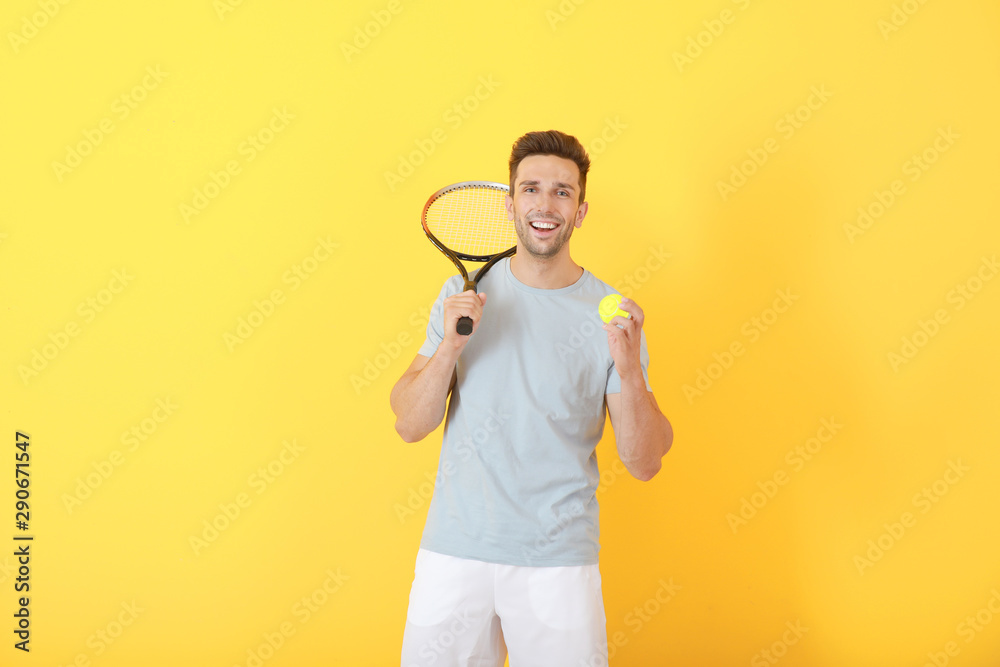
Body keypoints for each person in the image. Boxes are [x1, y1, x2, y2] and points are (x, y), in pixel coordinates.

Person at [390, 129, 673, 666]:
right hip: (454, 553)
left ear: (580, 212)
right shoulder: (461, 297)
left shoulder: (612, 315)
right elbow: (409, 424)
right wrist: (450, 346)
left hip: (557, 564)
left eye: (562, 192)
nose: (545, 205)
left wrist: (630, 372)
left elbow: (645, 462)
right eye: (531, 189)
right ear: (510, 203)